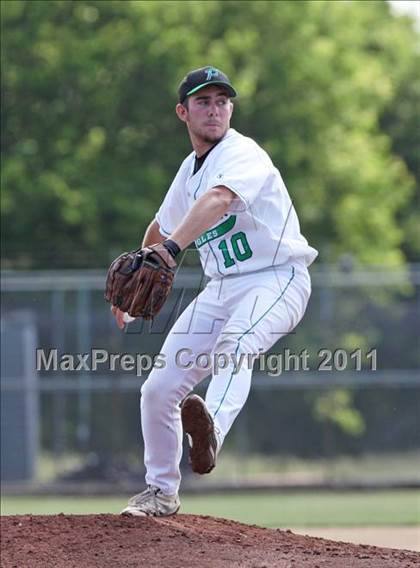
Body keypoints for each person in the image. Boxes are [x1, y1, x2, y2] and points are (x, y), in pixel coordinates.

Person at [114, 66, 318, 517]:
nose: (215, 108)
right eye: (203, 101)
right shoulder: (189, 171)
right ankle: (161, 492)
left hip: (276, 277)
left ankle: (212, 432)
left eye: (222, 100)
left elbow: (219, 200)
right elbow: (159, 226)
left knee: (236, 345)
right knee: (158, 389)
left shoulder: (243, 154)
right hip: (221, 287)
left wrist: (170, 250)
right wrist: (128, 294)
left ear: (231, 108)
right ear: (182, 112)